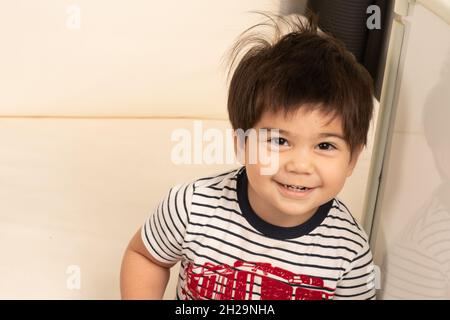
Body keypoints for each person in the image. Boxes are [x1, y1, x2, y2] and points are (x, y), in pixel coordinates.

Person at [120, 13, 376, 300]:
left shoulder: (348, 250)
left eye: (325, 146)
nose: (300, 165)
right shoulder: (192, 207)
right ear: (241, 143)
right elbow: (146, 257)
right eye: (279, 140)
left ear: (353, 158)